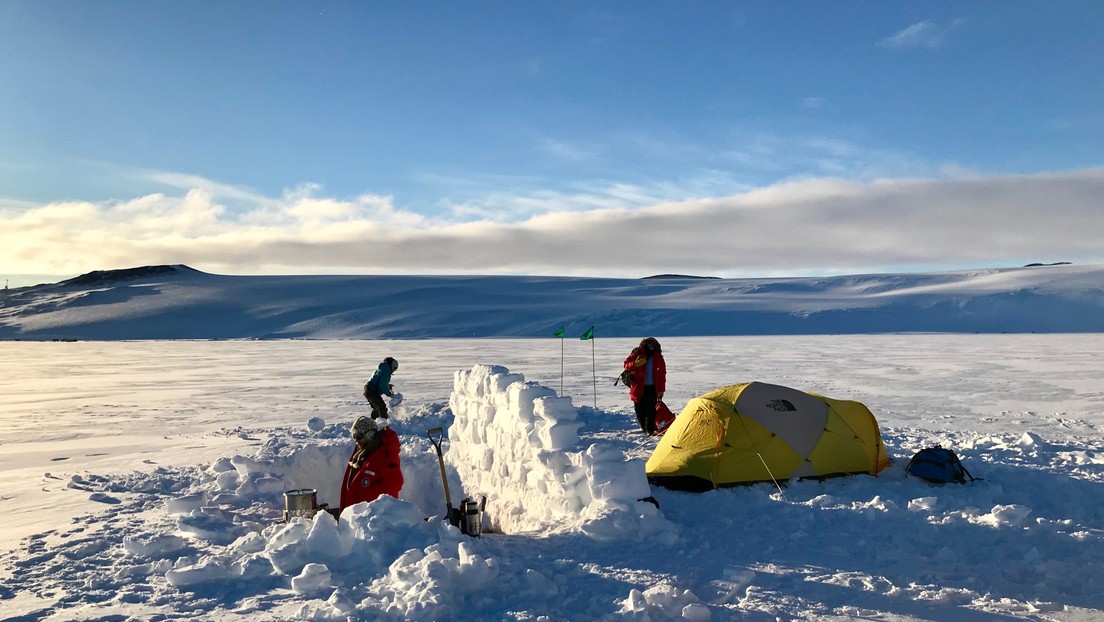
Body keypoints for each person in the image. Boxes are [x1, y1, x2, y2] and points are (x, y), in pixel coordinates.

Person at [339, 416, 404, 512]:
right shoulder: (362, 453)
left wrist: (368, 499)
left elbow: (395, 483)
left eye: (358, 436)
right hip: (356, 515)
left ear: (369, 435)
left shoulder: (385, 454)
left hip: (371, 517)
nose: (356, 441)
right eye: (354, 437)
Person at [622, 337, 666, 435]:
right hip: (638, 387)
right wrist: (635, 364)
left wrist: (661, 389)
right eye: (649, 345)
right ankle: (644, 428)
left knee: (651, 410)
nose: (651, 347)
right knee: (639, 409)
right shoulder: (637, 354)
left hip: (652, 388)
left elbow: (662, 375)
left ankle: (649, 430)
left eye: (653, 346)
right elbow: (626, 365)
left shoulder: (658, 358)